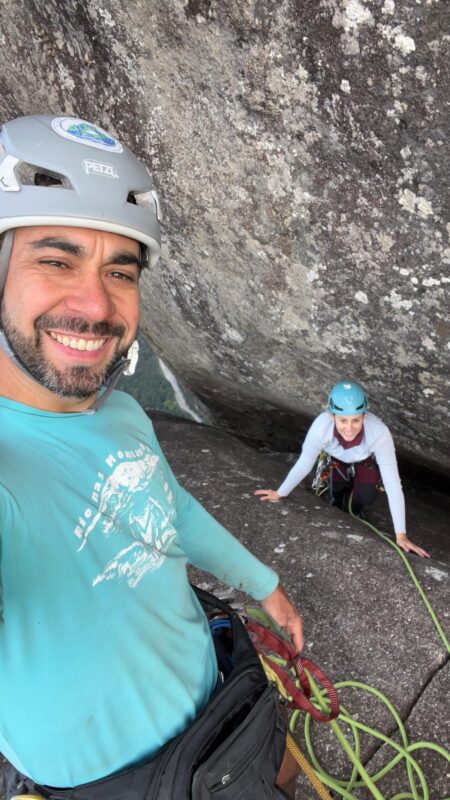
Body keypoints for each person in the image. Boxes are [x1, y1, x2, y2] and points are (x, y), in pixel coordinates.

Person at [0, 115, 303, 798]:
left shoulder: (122, 414)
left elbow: (171, 508)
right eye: (56, 260)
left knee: (280, 773)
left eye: (120, 271)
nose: (95, 305)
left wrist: (264, 585)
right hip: (123, 783)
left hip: (219, 690)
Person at [255, 381, 429, 558]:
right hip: (335, 458)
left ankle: (354, 503)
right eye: (343, 420)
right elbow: (305, 462)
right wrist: (280, 493)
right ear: (332, 416)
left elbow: (392, 482)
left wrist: (401, 534)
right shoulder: (321, 427)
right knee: (335, 494)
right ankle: (339, 491)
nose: (349, 428)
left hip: (364, 460)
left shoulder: (379, 433)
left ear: (364, 415)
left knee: (366, 497)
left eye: (356, 420)